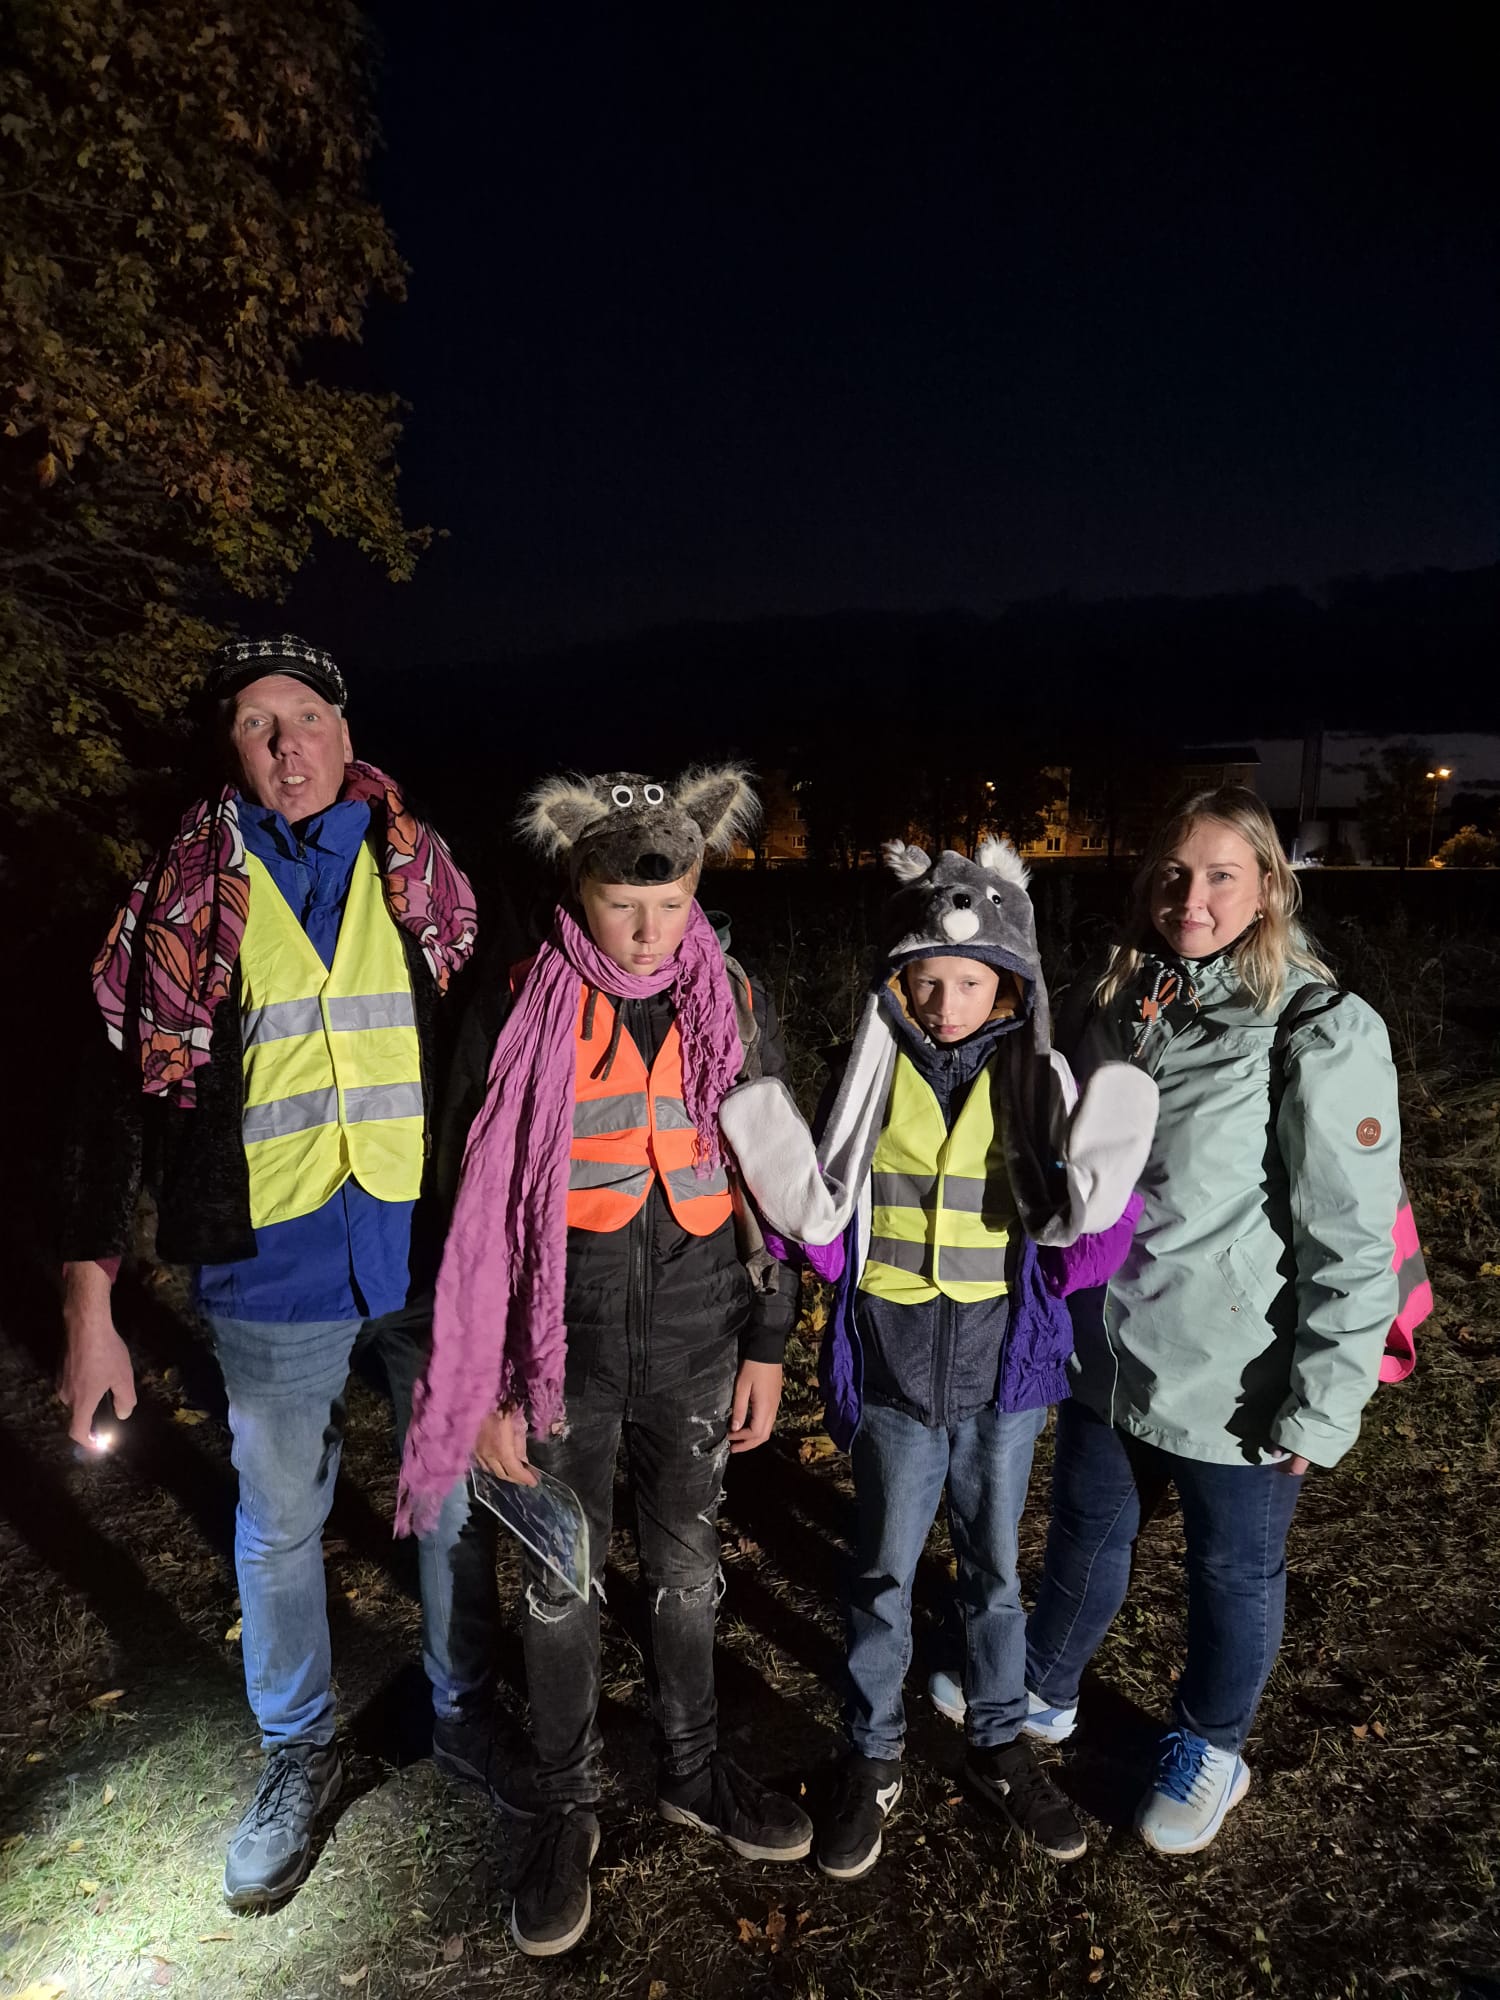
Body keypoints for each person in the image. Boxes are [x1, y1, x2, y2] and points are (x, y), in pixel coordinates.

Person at [57, 634, 500, 1911]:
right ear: (231, 751)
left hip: (424, 1254)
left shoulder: (427, 880)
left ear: (345, 731)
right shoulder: (178, 898)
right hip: (268, 1273)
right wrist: (91, 1306)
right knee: (282, 1520)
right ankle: (299, 1749)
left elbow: (504, 1059)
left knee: (451, 1495)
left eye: (303, 715)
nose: (285, 744)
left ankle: (467, 1706)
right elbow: (104, 1111)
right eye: (256, 724)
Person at [398, 766, 812, 1960]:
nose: (647, 929)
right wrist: (482, 1380)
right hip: (554, 1352)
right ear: (578, 886)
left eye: (671, 903)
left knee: (686, 1571)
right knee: (560, 1579)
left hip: (697, 1337)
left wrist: (768, 1341)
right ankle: (563, 1801)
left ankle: (692, 1765)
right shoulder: (516, 998)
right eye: (624, 902)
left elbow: (775, 1181)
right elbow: (461, 1201)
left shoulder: (733, 996)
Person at [717, 838, 1157, 1880]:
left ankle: (999, 1742)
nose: (947, 1002)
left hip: (1005, 1379)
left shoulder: (1041, 1079)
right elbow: (835, 1194)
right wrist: (812, 1239)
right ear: (898, 981)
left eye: (969, 982)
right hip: (896, 1372)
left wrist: (1099, 1229)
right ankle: (873, 1753)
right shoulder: (867, 1078)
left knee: (996, 1572)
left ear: (1009, 982)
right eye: (927, 981)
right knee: (880, 1573)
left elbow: (1069, 1213)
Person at [1023, 786, 1401, 1855]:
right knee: (1085, 1529)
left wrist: (1325, 1398)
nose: (1192, 896)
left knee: (1232, 1572)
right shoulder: (1118, 999)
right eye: (1175, 872)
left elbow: (1353, 1233)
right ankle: (1044, 1683)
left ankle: (1211, 1744)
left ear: (1269, 886)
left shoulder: (1314, 1025)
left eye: (1222, 875)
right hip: (1106, 1349)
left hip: (1236, 1374)